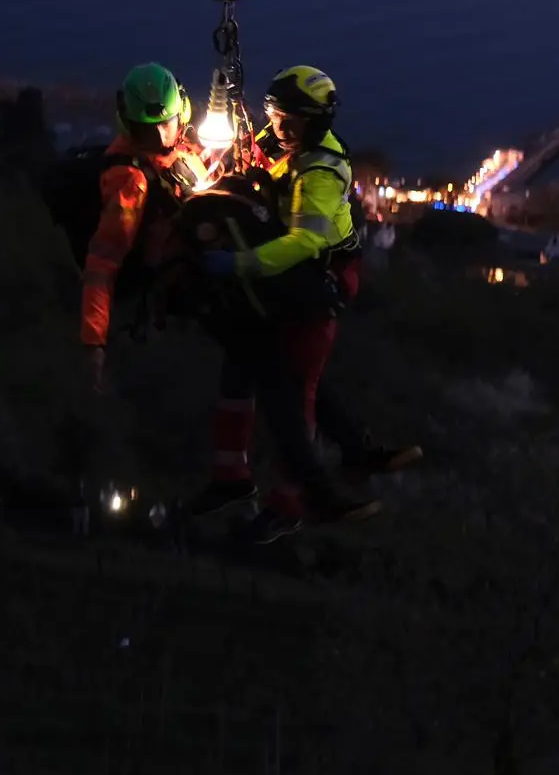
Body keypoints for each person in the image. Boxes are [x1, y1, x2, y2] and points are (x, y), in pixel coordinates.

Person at [188, 65, 420, 544]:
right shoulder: (291, 144)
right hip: (304, 280)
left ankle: (292, 504)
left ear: (309, 122)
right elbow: (255, 148)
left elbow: (303, 243)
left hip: (320, 277)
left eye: (285, 120)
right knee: (290, 377)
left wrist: (239, 264)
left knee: (296, 399)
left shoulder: (320, 171)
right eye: (274, 116)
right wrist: (225, 91)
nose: (276, 127)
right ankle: (359, 452)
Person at [80, 62, 208, 389]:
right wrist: (94, 343)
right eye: (154, 130)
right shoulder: (130, 183)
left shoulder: (172, 147)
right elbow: (102, 263)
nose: (165, 136)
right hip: (180, 284)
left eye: (170, 124)